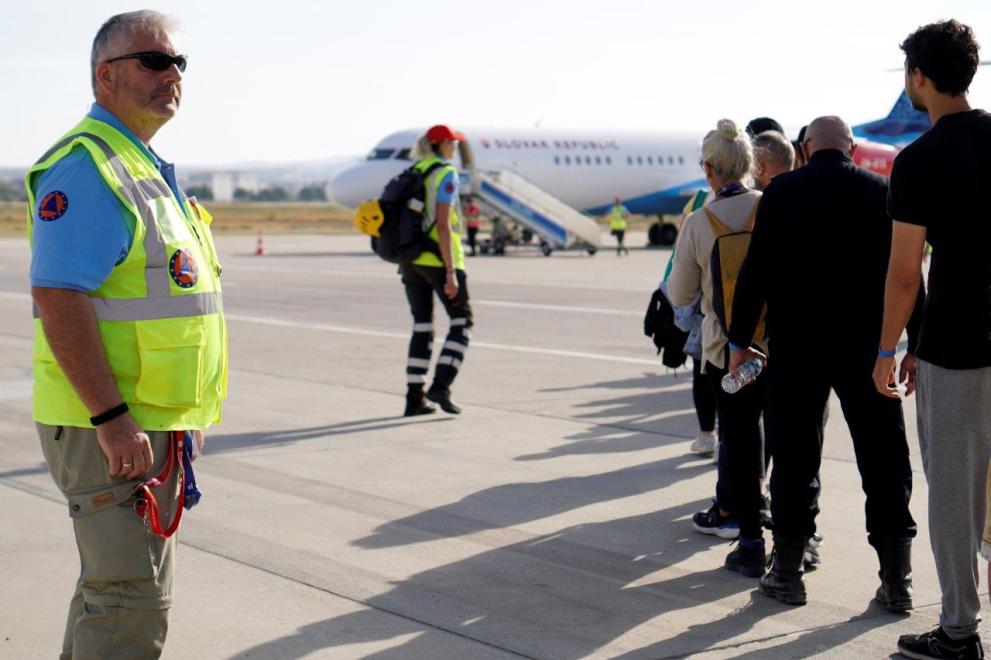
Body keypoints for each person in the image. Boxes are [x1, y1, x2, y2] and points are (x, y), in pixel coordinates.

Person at [27, 11, 227, 658]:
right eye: (154, 61)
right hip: (108, 424)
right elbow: (59, 294)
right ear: (105, 76)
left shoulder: (139, 165)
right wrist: (113, 416)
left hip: (146, 421)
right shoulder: (91, 167)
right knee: (128, 601)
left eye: (178, 64)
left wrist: (180, 415)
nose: (172, 75)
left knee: (113, 592)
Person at [729, 116, 918, 609]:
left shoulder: (783, 193)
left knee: (793, 460)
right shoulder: (881, 191)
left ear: (807, 149)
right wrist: (914, 342)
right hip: (868, 350)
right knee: (883, 460)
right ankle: (897, 581)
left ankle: (788, 573)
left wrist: (738, 341)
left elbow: (756, 272)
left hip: (797, 350)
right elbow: (907, 272)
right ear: (852, 148)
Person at [874, 20, 990, 659]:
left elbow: (902, 274)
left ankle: (958, 631)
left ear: (918, 78)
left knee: (953, 490)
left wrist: (888, 348)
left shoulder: (917, 162)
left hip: (957, 343)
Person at [668, 119, 768, 577]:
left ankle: (750, 541)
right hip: (778, 345)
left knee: (741, 444)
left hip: (724, 352)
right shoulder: (771, 207)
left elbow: (681, 294)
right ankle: (795, 543)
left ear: (709, 170)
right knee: (790, 442)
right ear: (750, 166)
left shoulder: (699, 222)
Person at [402, 125, 473, 417]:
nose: (455, 148)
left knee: (422, 326)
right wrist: (450, 271)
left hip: (411, 260)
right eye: (452, 143)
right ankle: (441, 385)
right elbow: (443, 224)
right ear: (441, 144)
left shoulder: (417, 169)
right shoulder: (445, 173)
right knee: (462, 322)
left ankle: (414, 398)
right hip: (439, 259)